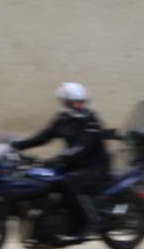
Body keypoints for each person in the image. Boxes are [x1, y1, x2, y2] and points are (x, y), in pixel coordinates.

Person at [11, 82, 111, 237]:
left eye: (81, 102)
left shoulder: (91, 120)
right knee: (43, 178)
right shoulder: (62, 119)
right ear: (65, 102)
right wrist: (16, 145)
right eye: (75, 102)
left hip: (95, 166)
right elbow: (43, 137)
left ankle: (91, 221)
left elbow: (83, 146)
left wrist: (60, 157)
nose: (79, 105)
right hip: (73, 164)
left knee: (68, 182)